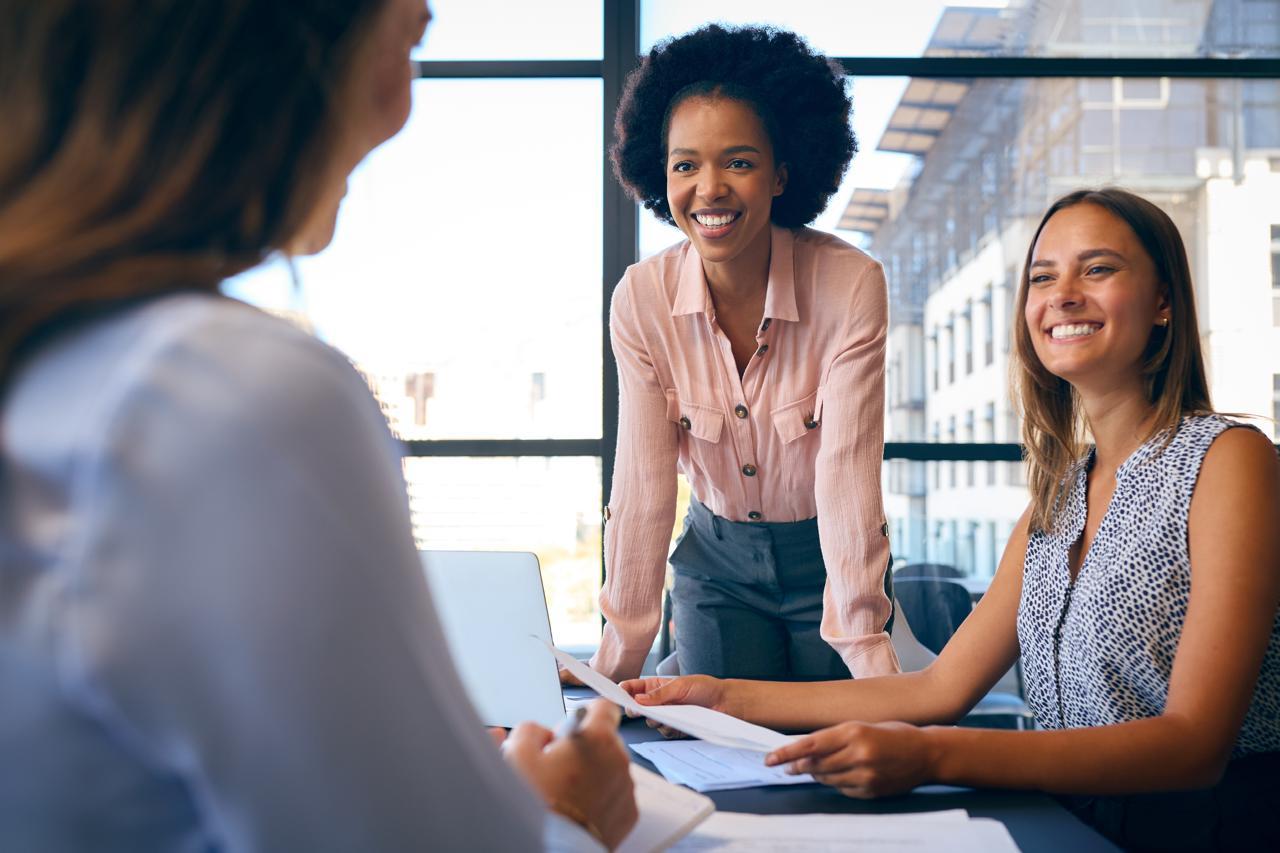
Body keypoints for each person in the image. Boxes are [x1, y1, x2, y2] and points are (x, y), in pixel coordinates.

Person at [0, 2, 636, 850]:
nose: (404, 106)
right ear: (277, 53)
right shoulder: (223, 395)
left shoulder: (63, 370)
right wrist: (563, 816)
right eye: (409, 40)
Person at [622, 187, 1280, 850]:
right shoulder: (1058, 498)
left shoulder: (1229, 461)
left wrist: (933, 755)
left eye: (1098, 268)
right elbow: (939, 687)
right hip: (1069, 821)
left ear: (1164, 302)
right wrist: (720, 696)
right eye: (1042, 277)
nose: (1063, 295)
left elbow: (1194, 744)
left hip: (1205, 829)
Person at [587, 24, 897, 685]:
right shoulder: (641, 298)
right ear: (660, 174)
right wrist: (614, 664)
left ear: (781, 174)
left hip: (828, 563)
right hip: (715, 566)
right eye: (685, 165)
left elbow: (847, 479)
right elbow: (643, 489)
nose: (710, 189)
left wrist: (873, 669)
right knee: (716, 727)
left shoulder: (850, 284)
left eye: (739, 162)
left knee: (828, 732)